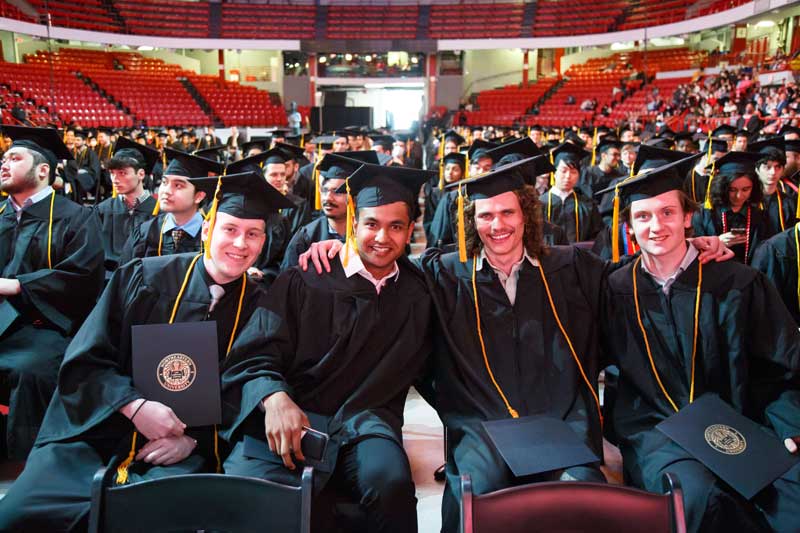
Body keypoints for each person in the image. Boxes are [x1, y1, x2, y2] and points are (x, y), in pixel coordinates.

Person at [0, 171, 294, 532]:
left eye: (253, 234)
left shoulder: (263, 307)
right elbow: (85, 361)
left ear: (264, 242)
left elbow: (243, 387)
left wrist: (193, 440)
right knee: (19, 515)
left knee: (149, 516)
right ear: (206, 230)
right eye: (229, 229)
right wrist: (134, 406)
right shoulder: (141, 278)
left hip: (184, 450)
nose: (240, 244)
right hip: (100, 431)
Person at [221, 164, 434, 533]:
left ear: (410, 231)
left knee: (391, 484)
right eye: (371, 224)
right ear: (353, 223)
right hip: (294, 411)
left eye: (396, 226)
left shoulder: (419, 291)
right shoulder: (306, 276)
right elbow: (254, 353)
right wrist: (273, 397)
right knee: (253, 494)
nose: (382, 237)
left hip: (366, 421)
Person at [601, 159, 800, 533]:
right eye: (643, 216)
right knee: (699, 498)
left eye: (667, 212)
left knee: (790, 499)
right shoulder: (615, 289)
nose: (656, 226)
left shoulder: (739, 283)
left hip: (741, 421)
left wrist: (791, 427)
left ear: (689, 217)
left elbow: (780, 367)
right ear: (628, 225)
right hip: (656, 428)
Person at [0, 126, 104, 459]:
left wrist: (19, 285)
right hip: (2, 324)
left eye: (15, 158)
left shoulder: (76, 218)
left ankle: (33, 466)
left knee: (30, 371)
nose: (4, 164)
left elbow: (83, 278)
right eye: (3, 158)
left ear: (43, 170)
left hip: (46, 326)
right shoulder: (1, 216)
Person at [119, 150, 222, 263]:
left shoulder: (213, 237)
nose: (166, 191)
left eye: (178, 185)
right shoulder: (144, 232)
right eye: (164, 182)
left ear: (199, 196)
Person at [280, 152, 376, 271]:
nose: (327, 198)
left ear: (354, 197)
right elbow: (288, 280)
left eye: (337, 191)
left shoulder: (369, 234)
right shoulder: (306, 236)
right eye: (325, 190)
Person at [692, 151, 771, 264]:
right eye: (732, 190)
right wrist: (716, 243)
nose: (739, 196)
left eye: (745, 189)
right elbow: (692, 252)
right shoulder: (703, 214)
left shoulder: (760, 215)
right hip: (712, 275)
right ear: (722, 187)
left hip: (749, 276)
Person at [95, 137, 159, 278]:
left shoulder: (159, 212)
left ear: (141, 174)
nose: (115, 180)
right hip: (106, 283)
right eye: (112, 173)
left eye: (122, 173)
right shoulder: (102, 210)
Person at [543, 143, 604, 243]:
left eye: (573, 172)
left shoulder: (588, 205)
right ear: (554, 173)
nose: (568, 176)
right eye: (563, 170)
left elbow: (597, 237)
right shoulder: (539, 203)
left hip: (579, 257)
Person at [748, 137, 797, 233]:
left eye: (777, 167)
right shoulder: (748, 201)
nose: (773, 172)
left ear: (783, 169)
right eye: (767, 167)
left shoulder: (789, 203)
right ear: (757, 170)